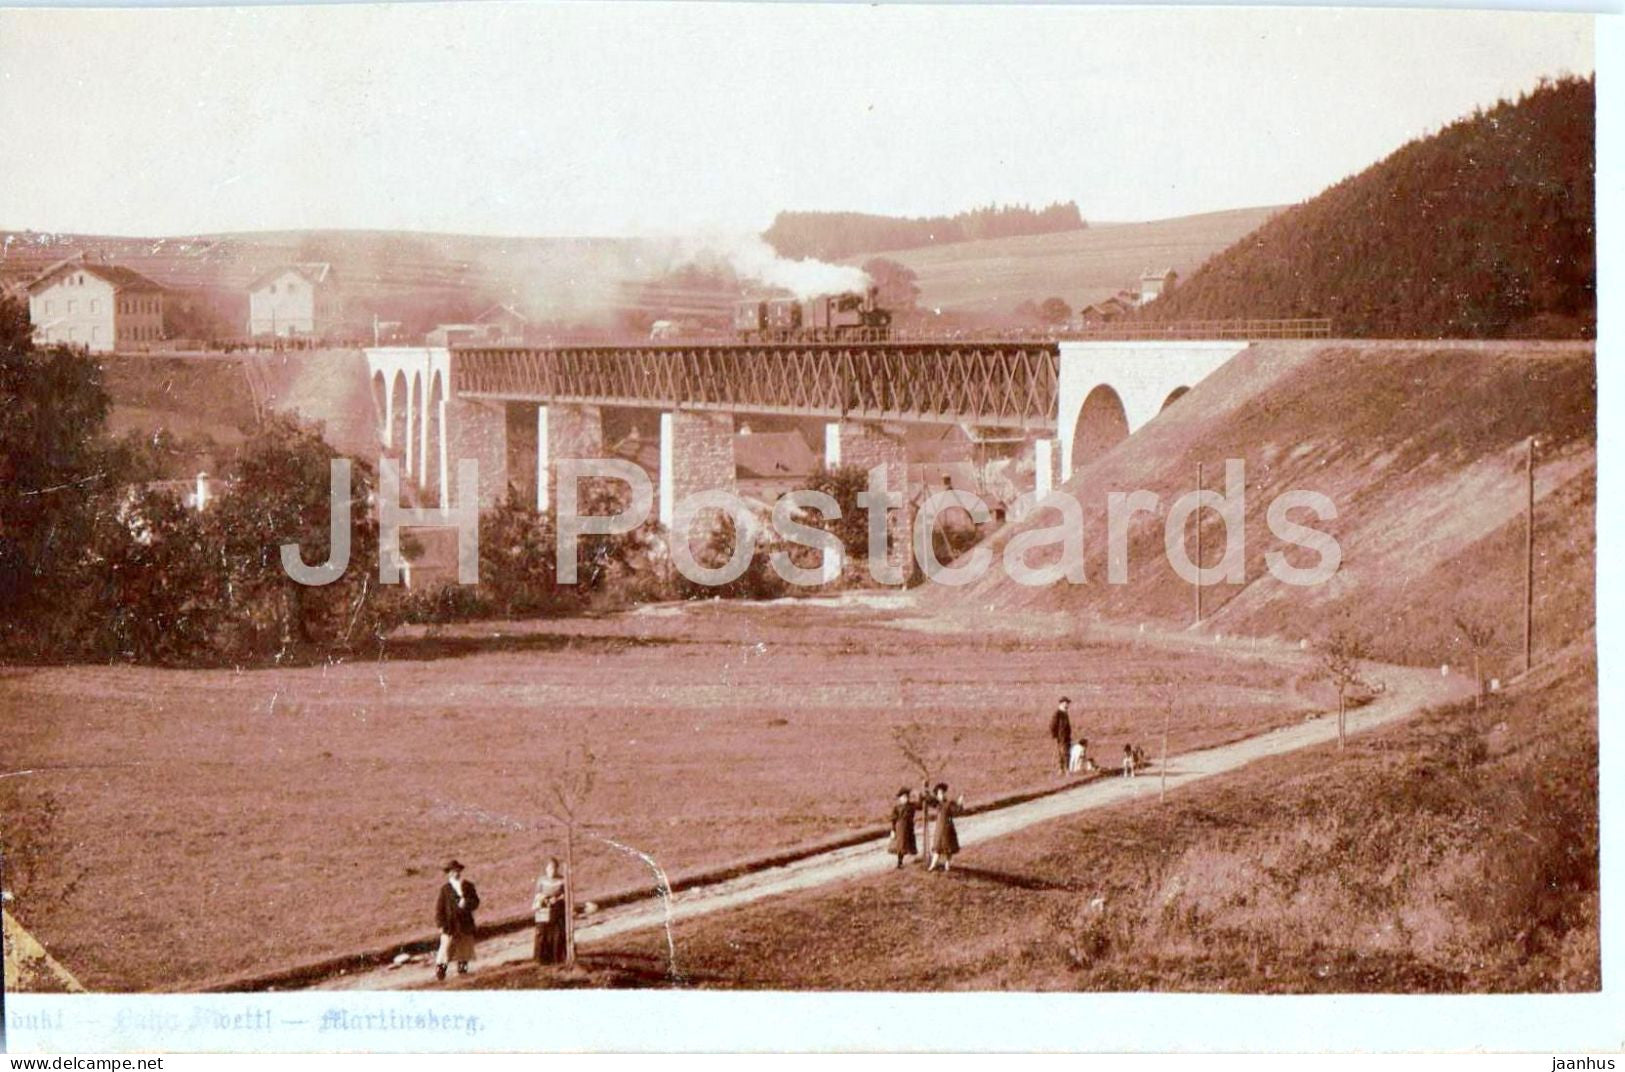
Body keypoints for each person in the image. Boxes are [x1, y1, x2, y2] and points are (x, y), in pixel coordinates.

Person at [433, 859, 480, 980]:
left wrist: (466, 903)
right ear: (449, 873)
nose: (456, 873)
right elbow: (439, 909)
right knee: (446, 950)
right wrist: (440, 925)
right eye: (453, 871)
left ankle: (462, 973)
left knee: (464, 950)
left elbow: (476, 902)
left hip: (465, 923)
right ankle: (440, 974)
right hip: (450, 925)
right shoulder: (445, 889)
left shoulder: (468, 886)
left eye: (457, 870)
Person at [532, 857, 567, 965]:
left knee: (557, 934)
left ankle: (557, 958)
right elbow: (537, 894)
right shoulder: (541, 880)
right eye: (550, 868)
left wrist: (557, 899)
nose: (552, 871)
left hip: (558, 909)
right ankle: (541, 959)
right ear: (546, 869)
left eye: (554, 868)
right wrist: (544, 899)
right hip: (544, 910)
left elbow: (566, 894)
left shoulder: (562, 880)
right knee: (542, 934)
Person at [926, 782, 964, 872]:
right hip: (939, 828)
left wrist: (960, 802)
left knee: (948, 848)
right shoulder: (937, 803)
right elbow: (929, 800)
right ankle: (933, 865)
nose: (941, 795)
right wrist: (926, 789)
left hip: (948, 828)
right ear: (937, 795)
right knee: (937, 847)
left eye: (942, 793)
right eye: (939, 793)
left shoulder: (949, 803)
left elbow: (957, 811)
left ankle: (947, 865)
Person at [887, 788, 919, 869]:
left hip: (909, 827)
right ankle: (899, 862)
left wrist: (918, 795)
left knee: (910, 843)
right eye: (903, 797)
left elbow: (920, 805)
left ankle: (912, 859)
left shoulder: (911, 806)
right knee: (901, 845)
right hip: (900, 828)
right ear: (900, 798)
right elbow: (893, 820)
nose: (905, 799)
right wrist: (893, 830)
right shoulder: (897, 807)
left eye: (906, 797)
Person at [1049, 697, 1073, 775]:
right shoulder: (1058, 713)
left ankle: (1063, 769)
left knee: (1065, 753)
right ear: (1062, 703)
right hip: (1061, 737)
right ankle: (1065, 769)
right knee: (1064, 753)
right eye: (1066, 703)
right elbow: (1053, 725)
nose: (1067, 705)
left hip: (1066, 737)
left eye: (1068, 703)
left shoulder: (1065, 713)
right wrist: (1054, 735)